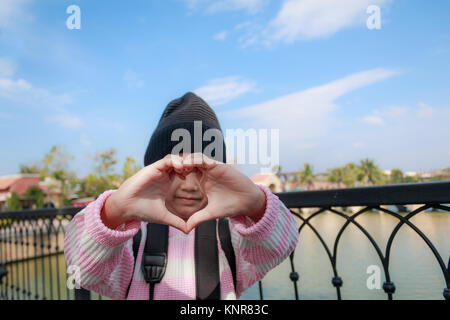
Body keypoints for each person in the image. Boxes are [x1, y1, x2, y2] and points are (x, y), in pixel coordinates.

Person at [64, 92, 299, 300]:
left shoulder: (231, 234)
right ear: (152, 172)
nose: (190, 185)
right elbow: (83, 270)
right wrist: (114, 211)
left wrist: (256, 204)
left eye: (204, 170)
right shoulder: (130, 236)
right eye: (175, 170)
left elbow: (280, 245)